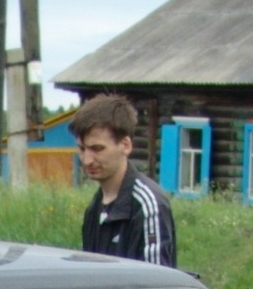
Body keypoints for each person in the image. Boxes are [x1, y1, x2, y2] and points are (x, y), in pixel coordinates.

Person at [71, 94, 176, 268]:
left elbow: (156, 285)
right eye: (82, 149)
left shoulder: (147, 205)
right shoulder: (94, 208)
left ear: (125, 145)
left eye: (97, 149)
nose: (87, 160)